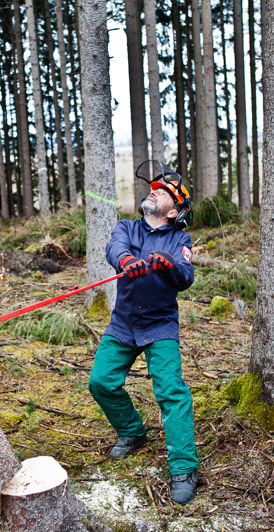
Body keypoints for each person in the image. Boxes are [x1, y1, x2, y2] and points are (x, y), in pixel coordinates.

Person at [89, 160, 200, 504]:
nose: (154, 190)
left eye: (164, 191)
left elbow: (185, 276)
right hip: (123, 322)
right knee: (101, 381)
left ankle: (184, 468)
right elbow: (114, 248)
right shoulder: (127, 227)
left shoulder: (180, 238)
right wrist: (125, 261)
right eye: (154, 188)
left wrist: (167, 265)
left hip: (160, 325)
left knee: (171, 392)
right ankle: (133, 432)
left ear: (174, 211)